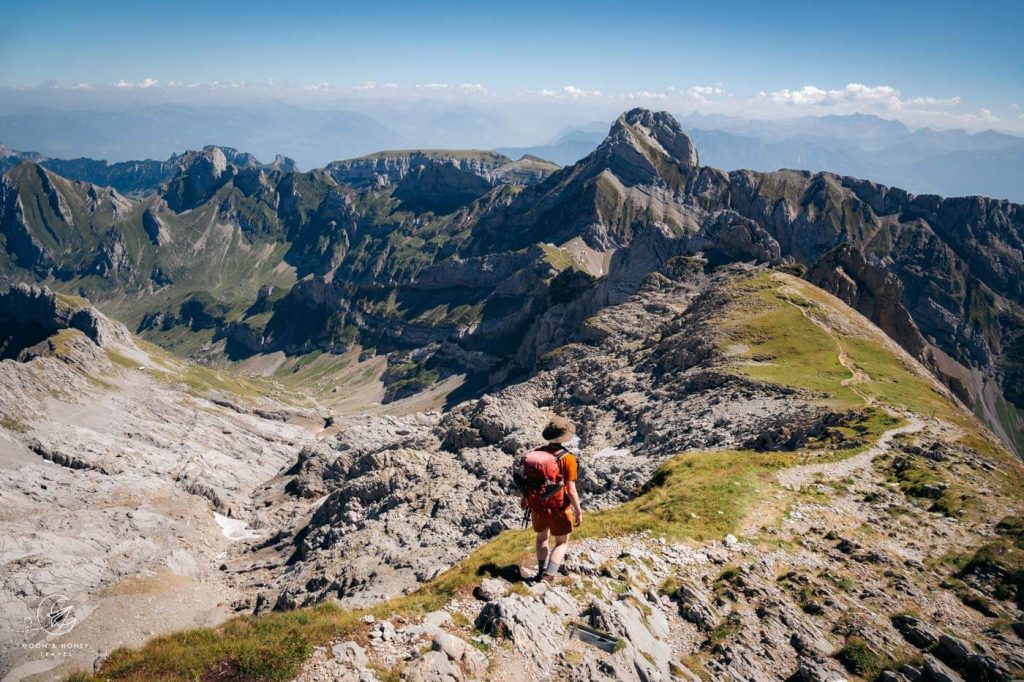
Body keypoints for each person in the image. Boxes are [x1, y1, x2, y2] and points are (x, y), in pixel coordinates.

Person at [520, 415, 582, 583]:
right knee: (562, 543)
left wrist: (525, 499)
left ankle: (541, 571)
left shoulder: (537, 454)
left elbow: (528, 482)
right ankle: (549, 576)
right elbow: (570, 489)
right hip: (559, 508)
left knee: (541, 538)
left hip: (537, 507)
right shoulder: (568, 458)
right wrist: (578, 511)